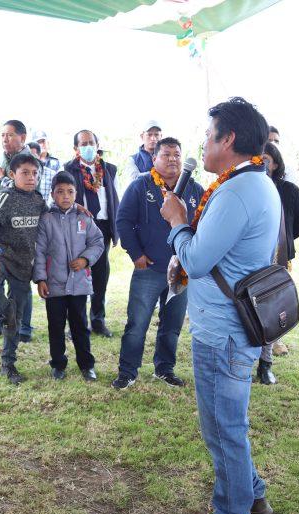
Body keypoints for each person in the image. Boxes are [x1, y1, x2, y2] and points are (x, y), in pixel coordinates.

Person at [159, 97, 278, 514]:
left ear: (228, 139)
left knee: (223, 429)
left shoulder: (237, 191)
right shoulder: (253, 182)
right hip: (230, 327)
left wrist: (178, 224)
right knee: (229, 425)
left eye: (208, 135)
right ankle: (253, 493)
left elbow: (199, 258)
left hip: (222, 332)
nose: (203, 145)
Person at [114, 137, 203, 389]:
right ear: (154, 159)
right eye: (166, 154)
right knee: (137, 324)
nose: (173, 159)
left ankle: (165, 369)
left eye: (177, 154)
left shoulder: (195, 189)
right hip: (149, 268)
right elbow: (123, 221)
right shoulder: (141, 186)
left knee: (172, 324)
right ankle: (127, 371)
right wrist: (136, 254)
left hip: (181, 270)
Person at [0, 153, 46, 384]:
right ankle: (3, 308)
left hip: (24, 264)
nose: (31, 178)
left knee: (14, 319)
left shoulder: (38, 200)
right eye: (25, 173)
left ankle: (8, 364)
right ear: (12, 174)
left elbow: (51, 219)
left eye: (35, 173)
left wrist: (76, 205)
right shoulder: (5, 197)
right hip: (0, 256)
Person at [33, 171, 103, 381]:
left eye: (70, 192)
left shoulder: (84, 218)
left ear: (76, 194)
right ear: (53, 194)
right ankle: (58, 364)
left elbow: (97, 243)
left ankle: (86, 365)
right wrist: (41, 279)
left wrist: (85, 260)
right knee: (55, 326)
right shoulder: (46, 220)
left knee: (80, 326)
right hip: (54, 285)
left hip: (79, 284)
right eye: (60, 192)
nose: (65, 196)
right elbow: (40, 251)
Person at [255, 142, 299, 384]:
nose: (262, 163)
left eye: (266, 159)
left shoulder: (289, 190)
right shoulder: (247, 187)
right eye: (258, 158)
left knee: (271, 309)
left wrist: (280, 243)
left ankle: (265, 364)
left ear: (275, 163)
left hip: (277, 260)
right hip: (250, 260)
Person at [0, 119, 34, 341]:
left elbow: (25, 193)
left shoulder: (28, 161)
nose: (5, 139)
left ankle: (22, 328)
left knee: (21, 283)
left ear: (22, 137)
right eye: (2, 135)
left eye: (9, 135)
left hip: (22, 234)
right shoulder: (3, 159)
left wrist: (1, 179)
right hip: (0, 231)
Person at [63, 130, 120, 337]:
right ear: (76, 148)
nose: (88, 146)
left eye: (91, 142)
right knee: (76, 274)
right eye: (83, 143)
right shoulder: (68, 169)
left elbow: (115, 200)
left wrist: (115, 230)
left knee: (100, 274)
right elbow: (61, 198)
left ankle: (98, 320)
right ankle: (76, 324)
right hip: (78, 227)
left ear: (97, 145)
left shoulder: (109, 169)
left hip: (102, 228)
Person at [125, 119, 161, 186]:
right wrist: (156, 173)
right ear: (142, 136)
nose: (153, 138)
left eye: (156, 135)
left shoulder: (166, 157)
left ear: (161, 136)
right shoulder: (133, 159)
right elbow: (134, 179)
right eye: (149, 135)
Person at [31, 130, 61, 200]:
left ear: (48, 143)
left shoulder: (56, 163)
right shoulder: (30, 162)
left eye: (43, 141)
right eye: (38, 142)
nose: (41, 145)